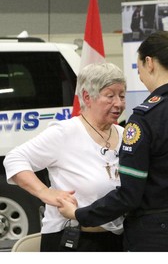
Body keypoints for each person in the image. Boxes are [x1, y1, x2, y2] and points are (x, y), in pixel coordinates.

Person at [57, 30, 168, 252]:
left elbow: (129, 196)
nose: (139, 74)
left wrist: (80, 214)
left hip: (153, 233)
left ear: (149, 63)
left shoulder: (146, 118)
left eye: (139, 66)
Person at [3, 62, 126, 252]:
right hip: (72, 241)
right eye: (110, 96)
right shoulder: (65, 133)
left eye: (122, 95)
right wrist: (45, 192)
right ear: (87, 97)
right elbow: (14, 159)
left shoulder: (125, 134)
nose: (118, 103)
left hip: (118, 240)